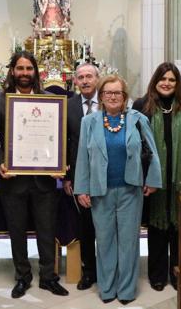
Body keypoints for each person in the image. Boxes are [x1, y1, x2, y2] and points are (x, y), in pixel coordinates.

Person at [74, 75, 162, 305]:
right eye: (108, 93)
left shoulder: (138, 119)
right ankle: (107, 288)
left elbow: (152, 152)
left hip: (130, 190)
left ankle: (125, 290)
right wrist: (81, 188)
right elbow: (82, 157)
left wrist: (152, 180)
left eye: (117, 93)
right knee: (104, 241)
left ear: (125, 96)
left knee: (128, 242)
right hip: (100, 191)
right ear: (101, 96)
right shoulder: (89, 122)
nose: (113, 97)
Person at [0, 51, 69, 298]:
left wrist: (59, 163)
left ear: (36, 72)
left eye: (29, 69)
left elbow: (59, 136)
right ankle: (22, 276)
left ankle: (48, 277)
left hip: (44, 180)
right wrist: (0, 162)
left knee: (47, 230)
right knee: (16, 230)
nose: (25, 73)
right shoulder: (0, 100)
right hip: (13, 181)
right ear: (12, 71)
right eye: (20, 68)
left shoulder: (50, 100)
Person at [133, 62, 181, 291]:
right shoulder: (142, 105)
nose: (167, 83)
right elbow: (137, 143)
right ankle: (157, 274)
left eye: (171, 80)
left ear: (177, 83)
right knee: (157, 228)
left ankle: (179, 273)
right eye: (163, 79)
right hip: (153, 177)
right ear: (155, 80)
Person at [63, 62, 100, 291]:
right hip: (80, 176)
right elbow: (65, 144)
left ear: (97, 79)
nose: (85, 81)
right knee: (86, 228)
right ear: (75, 81)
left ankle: (107, 270)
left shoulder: (109, 102)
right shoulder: (69, 106)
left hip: (108, 176)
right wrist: (67, 177)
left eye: (89, 76)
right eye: (81, 77)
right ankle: (89, 272)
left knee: (106, 228)